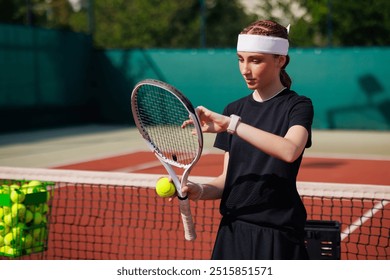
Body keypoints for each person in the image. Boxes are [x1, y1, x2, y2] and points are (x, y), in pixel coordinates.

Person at [181, 20, 314, 260]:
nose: (245, 69)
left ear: (280, 60)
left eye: (255, 60)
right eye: (240, 59)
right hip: (232, 232)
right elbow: (226, 180)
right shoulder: (234, 108)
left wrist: (232, 124)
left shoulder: (298, 106)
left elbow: (290, 150)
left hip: (278, 236)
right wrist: (198, 190)